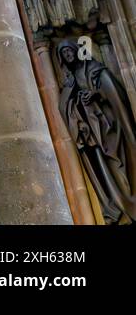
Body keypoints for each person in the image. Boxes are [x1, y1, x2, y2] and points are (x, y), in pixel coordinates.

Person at [57, 38, 136, 223]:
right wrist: (75, 104)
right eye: (64, 54)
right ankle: (118, 207)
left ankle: (131, 199)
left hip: (111, 130)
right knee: (106, 174)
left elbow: (115, 95)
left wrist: (97, 94)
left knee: (122, 166)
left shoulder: (94, 69)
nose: (68, 56)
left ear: (77, 49)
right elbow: (64, 109)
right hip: (92, 136)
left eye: (69, 51)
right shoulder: (69, 82)